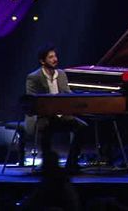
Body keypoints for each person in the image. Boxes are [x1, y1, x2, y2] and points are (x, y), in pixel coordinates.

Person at [25, 45, 87, 174]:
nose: (55, 59)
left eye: (55, 56)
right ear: (42, 61)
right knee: (46, 127)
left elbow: (67, 93)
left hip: (61, 116)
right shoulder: (34, 77)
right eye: (51, 57)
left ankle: (72, 163)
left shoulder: (62, 74)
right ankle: (47, 164)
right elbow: (30, 100)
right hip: (42, 117)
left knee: (82, 127)